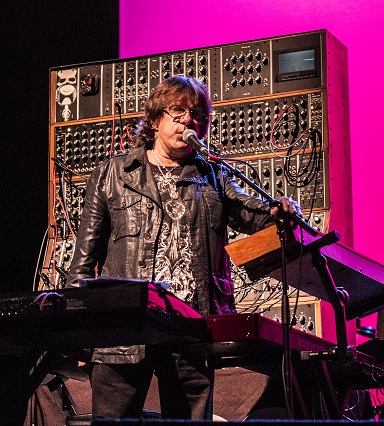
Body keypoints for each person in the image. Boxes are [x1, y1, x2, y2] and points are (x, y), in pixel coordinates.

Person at [66, 75, 302, 419]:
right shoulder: (114, 173)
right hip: (125, 327)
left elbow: (255, 217)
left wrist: (279, 212)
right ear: (156, 119)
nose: (189, 122)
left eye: (197, 116)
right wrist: (80, 335)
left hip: (190, 327)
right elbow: (83, 264)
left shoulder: (214, 175)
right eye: (179, 114)